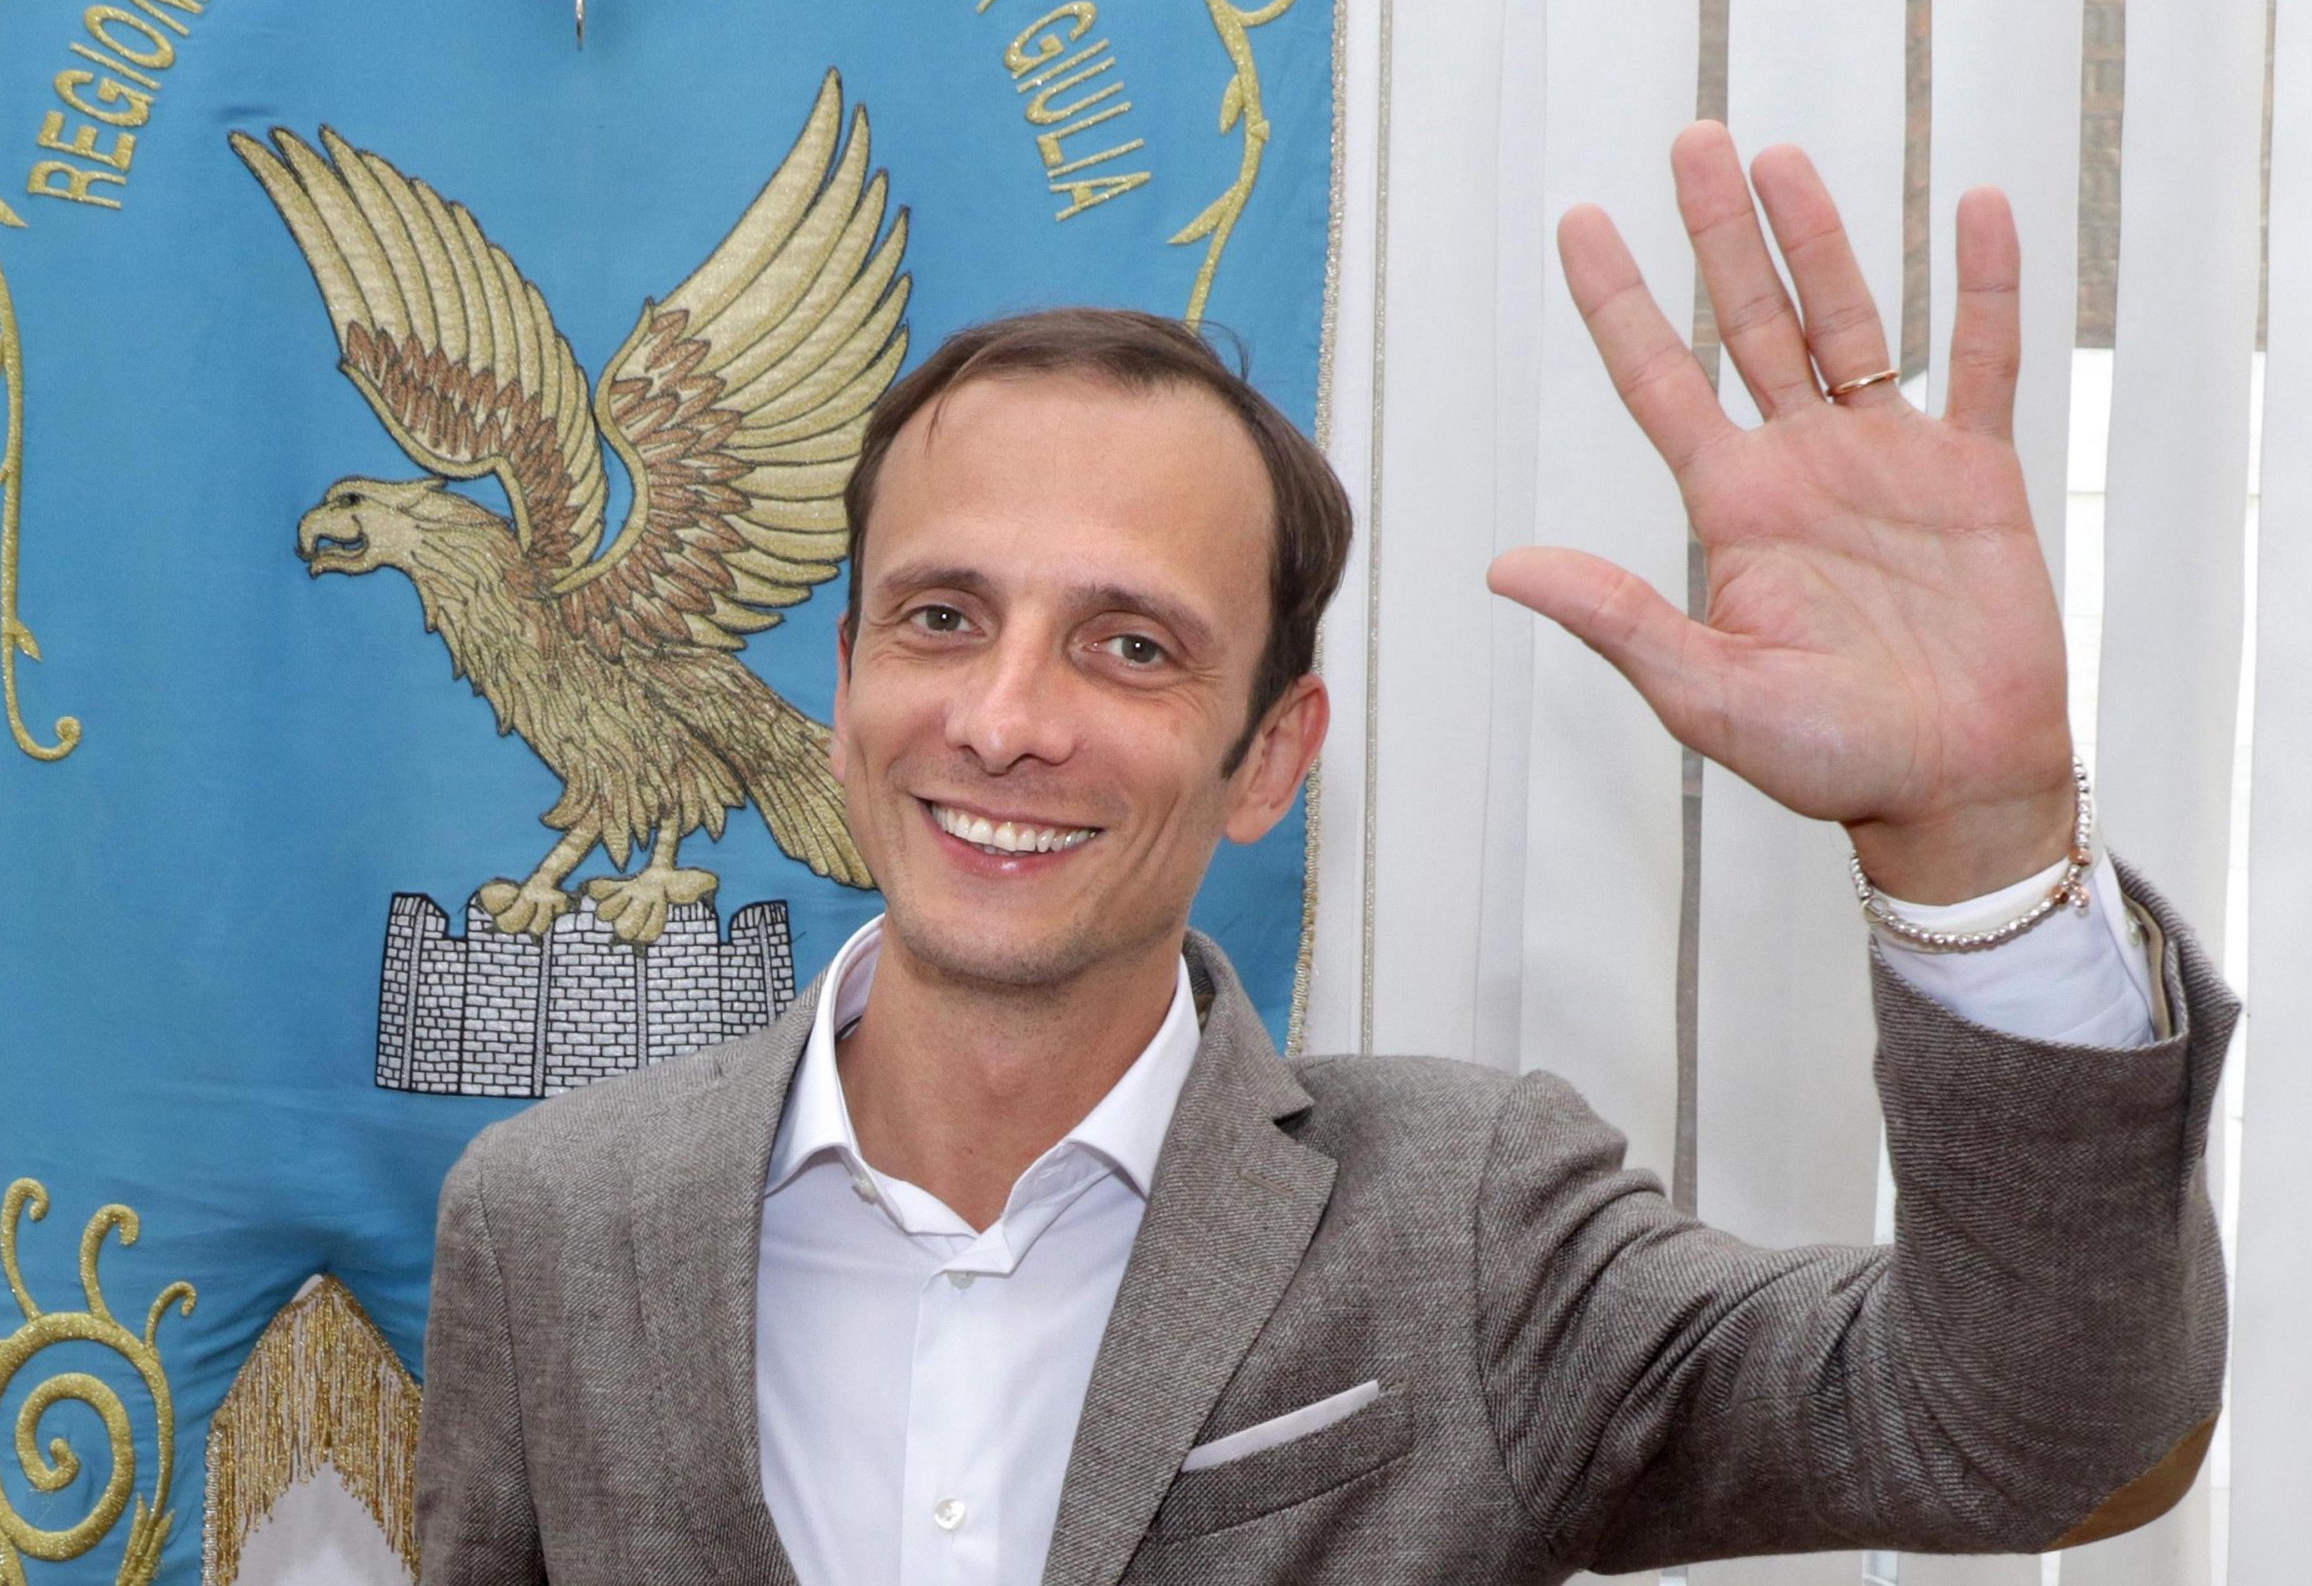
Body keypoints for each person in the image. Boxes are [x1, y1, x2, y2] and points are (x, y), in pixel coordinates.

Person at [414, 126, 2231, 1585]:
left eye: (1131, 645)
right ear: (844, 685)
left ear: (1271, 755)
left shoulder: (1462, 1228)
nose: (1005, 719)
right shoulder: (552, 1221)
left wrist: (1981, 841)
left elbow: (2027, 1435)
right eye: (943, 618)